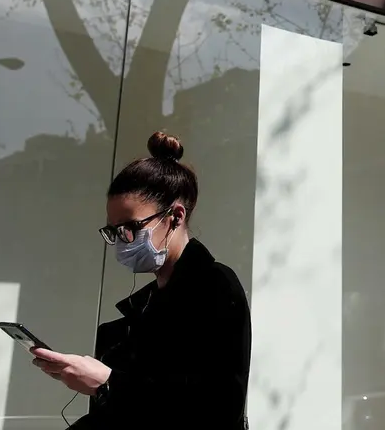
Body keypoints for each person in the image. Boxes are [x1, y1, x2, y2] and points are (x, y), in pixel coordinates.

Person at [31, 131, 252, 429]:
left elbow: (216, 408)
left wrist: (107, 382)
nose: (122, 240)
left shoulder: (216, 286)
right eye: (114, 231)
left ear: (175, 217)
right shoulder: (148, 302)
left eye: (131, 227)